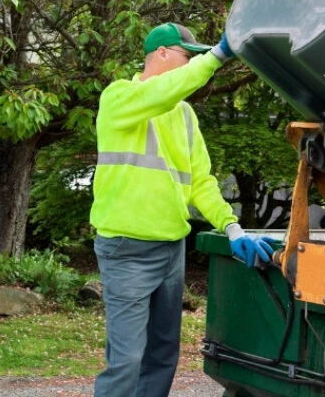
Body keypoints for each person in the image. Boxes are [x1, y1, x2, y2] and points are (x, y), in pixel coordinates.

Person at [90, 22, 275, 397]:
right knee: (126, 360)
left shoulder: (185, 116)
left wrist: (231, 226)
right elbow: (165, 90)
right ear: (161, 54)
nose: (192, 64)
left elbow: (201, 181)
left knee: (162, 356)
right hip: (126, 249)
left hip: (170, 250)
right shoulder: (118, 98)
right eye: (186, 56)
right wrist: (218, 57)